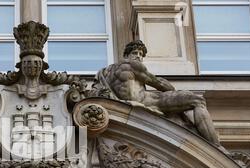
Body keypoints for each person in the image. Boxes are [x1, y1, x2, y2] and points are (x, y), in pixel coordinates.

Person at [92, 40, 228, 154]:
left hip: (128, 105)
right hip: (148, 101)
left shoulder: (106, 72)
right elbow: (159, 83)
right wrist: (172, 90)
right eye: (135, 53)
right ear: (127, 55)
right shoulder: (132, 65)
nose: (138, 57)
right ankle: (216, 147)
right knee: (196, 100)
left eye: (140, 54)